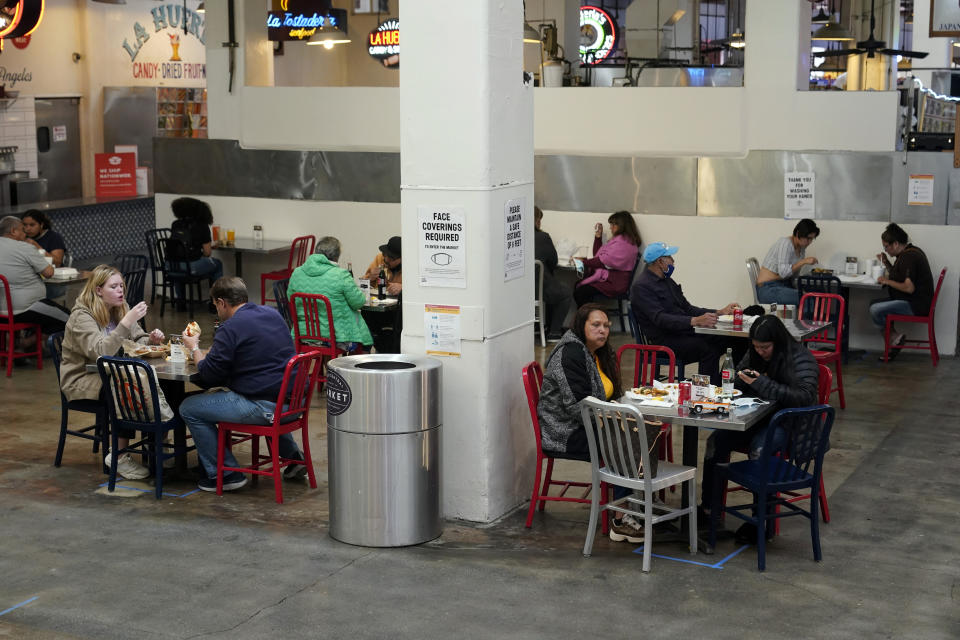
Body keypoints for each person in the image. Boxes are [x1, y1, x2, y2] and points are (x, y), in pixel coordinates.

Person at [180, 277, 307, 492]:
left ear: (222, 303)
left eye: (215, 305)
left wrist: (193, 348)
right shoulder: (272, 314)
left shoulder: (229, 328)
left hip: (266, 407)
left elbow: (209, 374)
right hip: (292, 403)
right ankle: (293, 458)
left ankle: (226, 474)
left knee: (189, 407)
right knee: (265, 390)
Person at [700, 314, 818, 542]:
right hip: (756, 417)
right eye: (756, 347)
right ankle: (709, 510)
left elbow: (803, 397)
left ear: (779, 342)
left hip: (790, 424)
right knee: (716, 441)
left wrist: (762, 383)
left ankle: (761, 521)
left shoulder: (801, 359)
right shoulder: (755, 353)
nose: (760, 351)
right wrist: (740, 379)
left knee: (760, 448)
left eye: (765, 347)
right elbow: (737, 380)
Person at [536, 303, 645, 544]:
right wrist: (615, 418)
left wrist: (619, 413)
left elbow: (610, 394)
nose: (603, 330)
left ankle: (635, 500)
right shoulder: (571, 353)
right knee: (625, 440)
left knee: (639, 432)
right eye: (595, 325)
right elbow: (578, 407)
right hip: (565, 431)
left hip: (588, 424)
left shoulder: (597, 353)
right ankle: (620, 518)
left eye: (606, 325)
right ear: (580, 325)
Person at [60, 265, 166, 480]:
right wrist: (126, 322)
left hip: (111, 374)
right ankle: (119, 456)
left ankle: (156, 446)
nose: (120, 291)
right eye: (114, 286)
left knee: (153, 385)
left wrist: (151, 340)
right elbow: (100, 352)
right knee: (126, 389)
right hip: (83, 377)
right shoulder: (82, 316)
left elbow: (136, 340)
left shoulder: (120, 306)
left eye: (122, 286)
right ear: (99, 290)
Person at [630, 241, 742, 385]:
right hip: (665, 340)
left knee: (734, 341)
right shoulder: (642, 287)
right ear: (660, 261)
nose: (673, 261)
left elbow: (687, 308)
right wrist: (694, 321)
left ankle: (726, 384)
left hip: (683, 332)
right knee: (707, 349)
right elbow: (660, 319)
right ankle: (706, 394)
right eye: (670, 257)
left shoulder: (667, 281)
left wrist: (719, 312)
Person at [287, 236, 373, 352]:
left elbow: (290, 298)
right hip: (336, 337)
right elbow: (358, 303)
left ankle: (322, 368)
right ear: (337, 256)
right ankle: (348, 368)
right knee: (363, 343)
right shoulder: (340, 275)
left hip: (303, 335)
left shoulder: (297, 273)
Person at [869, 223, 934, 361]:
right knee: (873, 304)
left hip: (915, 305)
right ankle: (894, 340)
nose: (885, 250)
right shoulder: (909, 252)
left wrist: (886, 281)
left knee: (875, 309)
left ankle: (893, 339)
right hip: (915, 301)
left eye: (886, 246)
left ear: (896, 244)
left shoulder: (909, 257)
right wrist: (886, 262)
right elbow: (898, 275)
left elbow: (909, 288)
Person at [0, 215, 69, 338]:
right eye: (22, 229)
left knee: (49, 319)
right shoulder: (24, 247)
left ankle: (23, 345)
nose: (25, 232)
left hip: (2, 311)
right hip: (26, 307)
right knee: (72, 320)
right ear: (13, 231)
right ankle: (28, 344)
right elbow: (49, 273)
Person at [573, 211, 641, 307]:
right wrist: (598, 237)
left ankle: (588, 319)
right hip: (610, 278)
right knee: (579, 287)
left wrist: (582, 262)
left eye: (613, 224)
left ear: (622, 225)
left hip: (615, 283)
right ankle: (588, 317)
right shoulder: (621, 240)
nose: (610, 227)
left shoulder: (624, 244)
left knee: (581, 291)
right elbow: (600, 257)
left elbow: (601, 261)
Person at [169, 197, 223, 304]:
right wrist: (205, 249)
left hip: (170, 266)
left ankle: (181, 302)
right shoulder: (202, 226)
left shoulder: (175, 224)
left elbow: (180, 248)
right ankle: (216, 303)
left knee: (178, 265)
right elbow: (207, 253)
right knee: (217, 264)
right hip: (191, 267)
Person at [755, 218, 820, 306]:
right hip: (768, 288)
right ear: (798, 234)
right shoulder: (785, 243)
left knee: (816, 293)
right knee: (807, 299)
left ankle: (807, 319)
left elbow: (793, 276)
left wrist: (802, 288)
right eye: (808, 238)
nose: (810, 242)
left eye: (812, 239)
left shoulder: (801, 248)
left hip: (783, 284)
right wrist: (803, 261)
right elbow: (784, 274)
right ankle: (806, 320)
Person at [534, 206, 572, 341]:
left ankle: (538, 326)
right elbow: (553, 261)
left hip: (516, 291)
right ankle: (554, 332)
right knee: (564, 293)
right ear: (536, 220)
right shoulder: (543, 237)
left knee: (553, 289)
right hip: (538, 288)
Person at [362, 235, 402, 352]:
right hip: (377, 306)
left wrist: (404, 288)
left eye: (392, 258)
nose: (387, 260)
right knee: (365, 314)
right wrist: (370, 277)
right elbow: (363, 283)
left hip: (397, 310)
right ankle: (372, 347)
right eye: (386, 255)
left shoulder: (411, 265)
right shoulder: (380, 259)